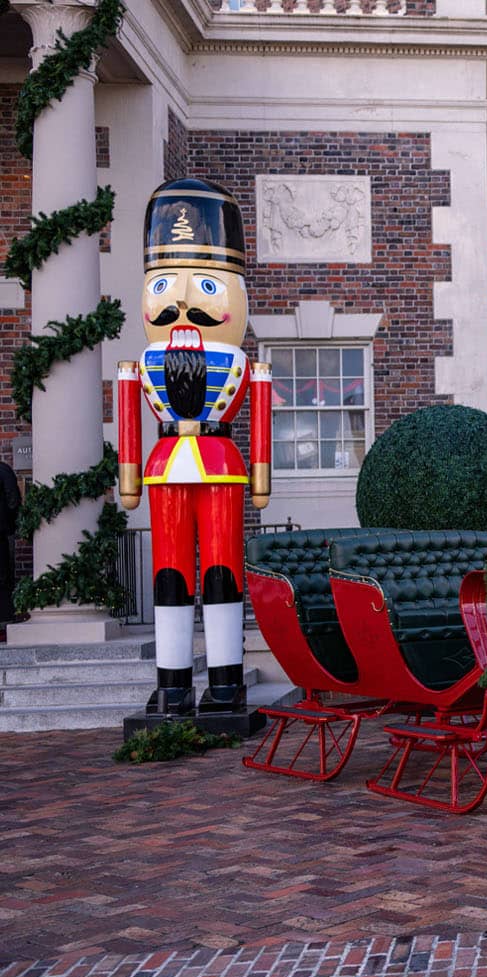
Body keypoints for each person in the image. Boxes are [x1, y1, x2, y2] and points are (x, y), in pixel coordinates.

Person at [118, 179, 271, 716]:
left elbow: (263, 420)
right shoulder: (141, 365)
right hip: (164, 471)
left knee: (223, 573)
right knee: (170, 575)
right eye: (164, 286)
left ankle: (227, 680)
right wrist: (129, 476)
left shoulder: (244, 365)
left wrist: (260, 478)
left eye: (206, 286)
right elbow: (130, 423)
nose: (180, 301)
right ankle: (173, 682)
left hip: (223, 466)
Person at [0, 452, 20, 624]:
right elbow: (13, 500)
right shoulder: (3, 470)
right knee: (3, 576)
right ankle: (5, 619)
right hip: (1, 531)